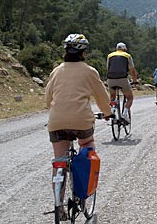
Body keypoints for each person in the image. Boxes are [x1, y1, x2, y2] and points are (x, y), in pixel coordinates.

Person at [46, 34, 111, 218]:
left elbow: (47, 99)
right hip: (81, 122)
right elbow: (101, 97)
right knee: (87, 146)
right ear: (83, 53)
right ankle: (85, 191)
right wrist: (107, 113)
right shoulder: (90, 71)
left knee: (59, 158)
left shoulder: (57, 70)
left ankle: (58, 203)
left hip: (56, 121)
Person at [106, 42, 138, 122]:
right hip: (122, 79)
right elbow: (132, 70)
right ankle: (124, 114)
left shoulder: (110, 55)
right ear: (125, 49)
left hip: (110, 79)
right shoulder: (127, 56)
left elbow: (108, 68)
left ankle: (112, 111)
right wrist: (134, 81)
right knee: (130, 98)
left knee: (112, 97)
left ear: (116, 48)